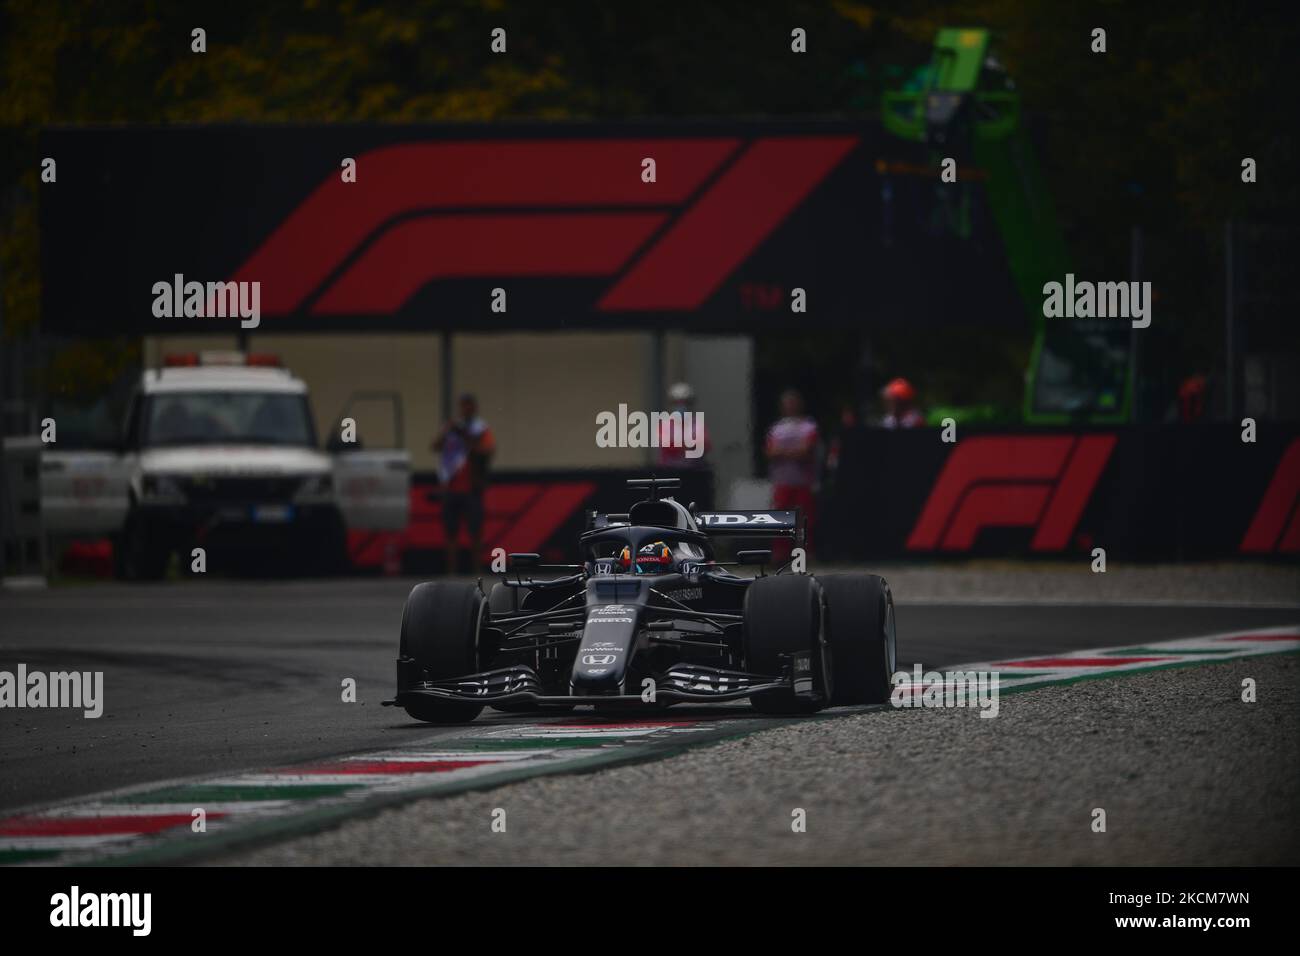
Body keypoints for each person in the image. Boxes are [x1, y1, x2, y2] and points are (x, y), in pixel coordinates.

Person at [432, 393, 496, 574]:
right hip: (451, 487)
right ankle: (451, 571)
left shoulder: (480, 429)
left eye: (468, 405)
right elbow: (435, 446)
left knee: (475, 532)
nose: (465, 409)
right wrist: (447, 431)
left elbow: (487, 450)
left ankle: (477, 570)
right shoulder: (452, 428)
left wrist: (465, 436)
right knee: (450, 532)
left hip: (472, 488)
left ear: (474, 408)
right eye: (462, 406)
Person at [764, 388, 820, 560]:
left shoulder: (809, 426)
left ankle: (805, 553)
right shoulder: (777, 428)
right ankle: (780, 553)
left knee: (804, 519)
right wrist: (793, 452)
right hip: (782, 482)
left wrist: (784, 452)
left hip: (803, 481)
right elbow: (770, 451)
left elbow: (807, 451)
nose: (791, 406)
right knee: (781, 519)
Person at [656, 381, 710, 468]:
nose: (681, 406)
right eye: (677, 403)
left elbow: (705, 445)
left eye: (685, 403)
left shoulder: (697, 425)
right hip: (669, 472)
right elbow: (668, 447)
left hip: (694, 473)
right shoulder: (665, 426)